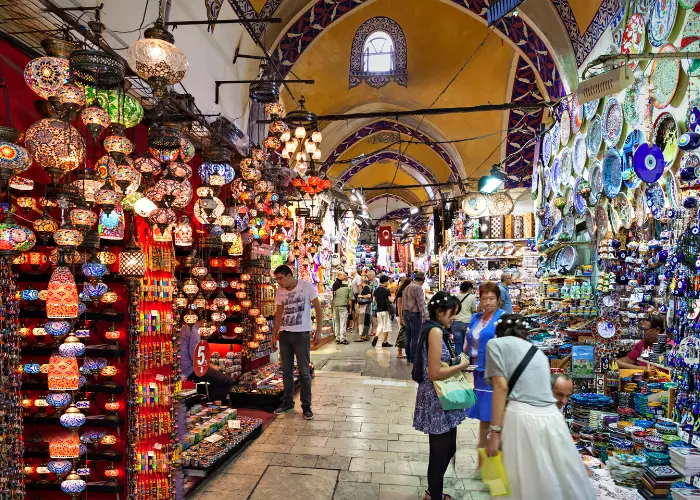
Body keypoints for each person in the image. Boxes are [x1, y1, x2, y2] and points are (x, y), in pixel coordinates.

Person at [485, 314, 594, 500]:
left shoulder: (495, 345)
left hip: (521, 418)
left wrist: (494, 432)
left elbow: (501, 387)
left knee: (519, 480)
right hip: (552, 419)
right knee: (548, 477)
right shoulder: (537, 353)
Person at [413, 291, 470, 500]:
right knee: (439, 453)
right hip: (437, 398)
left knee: (448, 448)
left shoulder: (434, 328)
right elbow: (434, 372)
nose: (454, 317)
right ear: (439, 311)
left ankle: (432, 492)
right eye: (451, 313)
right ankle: (434, 495)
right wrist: (462, 366)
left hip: (442, 397)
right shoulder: (435, 332)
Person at [272, 265, 323, 419]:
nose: (279, 282)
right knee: (286, 371)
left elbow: (318, 309)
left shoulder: (306, 286)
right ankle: (287, 402)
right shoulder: (280, 291)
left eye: (280, 278)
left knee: (304, 372)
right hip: (285, 334)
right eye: (277, 279)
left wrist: (318, 330)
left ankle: (306, 406)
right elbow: (279, 313)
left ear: (289, 275)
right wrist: (274, 335)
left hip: (301, 334)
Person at [466, 282, 505, 455]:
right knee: (484, 415)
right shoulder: (476, 318)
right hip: (478, 371)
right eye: (484, 299)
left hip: (496, 372)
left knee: (494, 413)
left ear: (498, 300)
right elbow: (469, 342)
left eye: (491, 298)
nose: (487, 302)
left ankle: (494, 454)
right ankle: (483, 454)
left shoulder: (503, 318)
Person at [181, 322, 235, 404]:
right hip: (191, 369)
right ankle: (216, 406)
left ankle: (212, 402)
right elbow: (196, 357)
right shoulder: (194, 332)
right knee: (226, 380)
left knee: (215, 378)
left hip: (183, 368)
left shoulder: (184, 328)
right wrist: (210, 366)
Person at [452, 281, 477, 359]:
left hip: (455, 322)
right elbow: (473, 310)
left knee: (458, 344)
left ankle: (458, 364)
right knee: (468, 344)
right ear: (469, 288)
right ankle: (467, 363)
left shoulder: (456, 296)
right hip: (467, 322)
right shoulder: (472, 297)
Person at [372, 275, 393, 347]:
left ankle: (376, 335)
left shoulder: (376, 290)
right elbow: (391, 300)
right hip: (385, 310)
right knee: (386, 326)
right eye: (387, 281)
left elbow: (374, 301)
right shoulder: (386, 290)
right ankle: (385, 341)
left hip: (378, 310)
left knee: (380, 325)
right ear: (385, 282)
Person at [332, 271, 352, 345]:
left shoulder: (336, 287)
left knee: (337, 322)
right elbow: (350, 299)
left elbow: (334, 296)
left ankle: (337, 337)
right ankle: (342, 339)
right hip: (343, 306)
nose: (345, 277)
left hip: (336, 305)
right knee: (343, 322)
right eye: (343, 276)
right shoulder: (346, 288)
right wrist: (350, 307)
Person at [395, 277, 413, 359]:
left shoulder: (405, 291)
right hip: (401, 315)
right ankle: (399, 352)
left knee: (405, 333)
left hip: (404, 315)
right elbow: (399, 306)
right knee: (402, 333)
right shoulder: (401, 292)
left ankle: (404, 352)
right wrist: (401, 318)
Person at [355, 275, 372, 342]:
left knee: (362, 321)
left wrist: (360, 296)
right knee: (366, 321)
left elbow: (369, 295)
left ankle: (361, 336)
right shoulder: (368, 287)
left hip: (364, 307)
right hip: (367, 307)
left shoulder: (366, 288)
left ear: (362, 281)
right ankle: (366, 335)